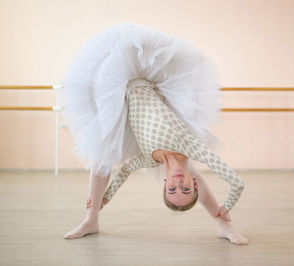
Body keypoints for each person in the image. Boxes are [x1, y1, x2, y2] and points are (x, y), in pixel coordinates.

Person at [61, 23, 247, 244]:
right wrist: (226, 207)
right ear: (193, 184)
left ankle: (92, 219)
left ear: (165, 184)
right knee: (188, 168)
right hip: (143, 76)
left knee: (102, 155)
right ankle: (223, 222)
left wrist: (105, 197)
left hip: (120, 100)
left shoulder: (148, 159)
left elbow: (123, 172)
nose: (179, 184)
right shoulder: (192, 148)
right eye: (186, 188)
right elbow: (237, 182)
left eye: (173, 189)